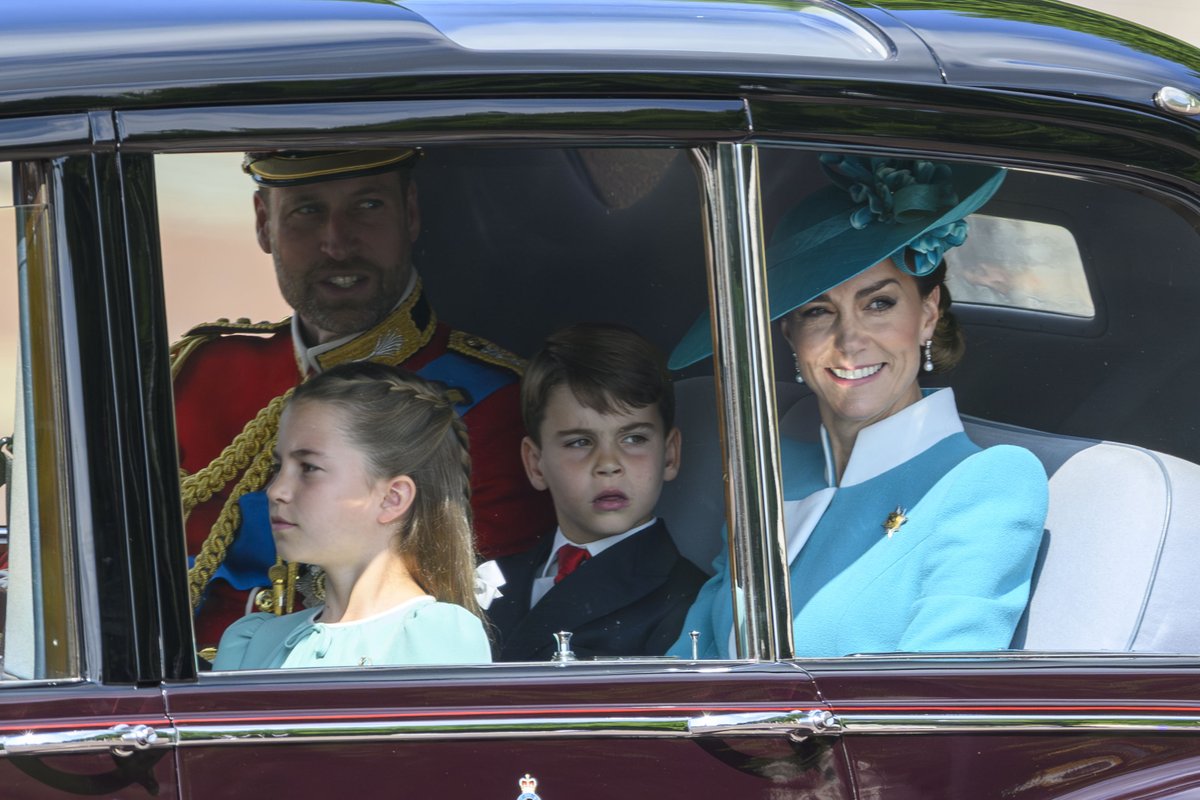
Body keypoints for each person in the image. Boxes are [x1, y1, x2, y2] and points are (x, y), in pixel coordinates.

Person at [171, 149, 554, 655]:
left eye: (367, 206)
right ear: (264, 223)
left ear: (410, 213)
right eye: (307, 210)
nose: (336, 243)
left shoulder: (494, 402)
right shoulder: (199, 373)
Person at [667, 154, 1048, 659]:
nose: (850, 340)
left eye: (879, 303)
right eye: (819, 311)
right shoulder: (773, 471)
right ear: (791, 335)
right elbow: (693, 660)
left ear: (928, 315)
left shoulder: (987, 481)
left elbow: (937, 703)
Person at [213, 362, 491, 669]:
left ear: (392, 498)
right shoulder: (253, 641)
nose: (276, 490)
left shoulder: (432, 638)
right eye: (278, 468)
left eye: (309, 468)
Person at [485, 323, 708, 661]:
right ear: (535, 463)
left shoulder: (689, 600)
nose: (608, 463)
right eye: (579, 442)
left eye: (634, 439)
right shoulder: (492, 577)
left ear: (671, 454)